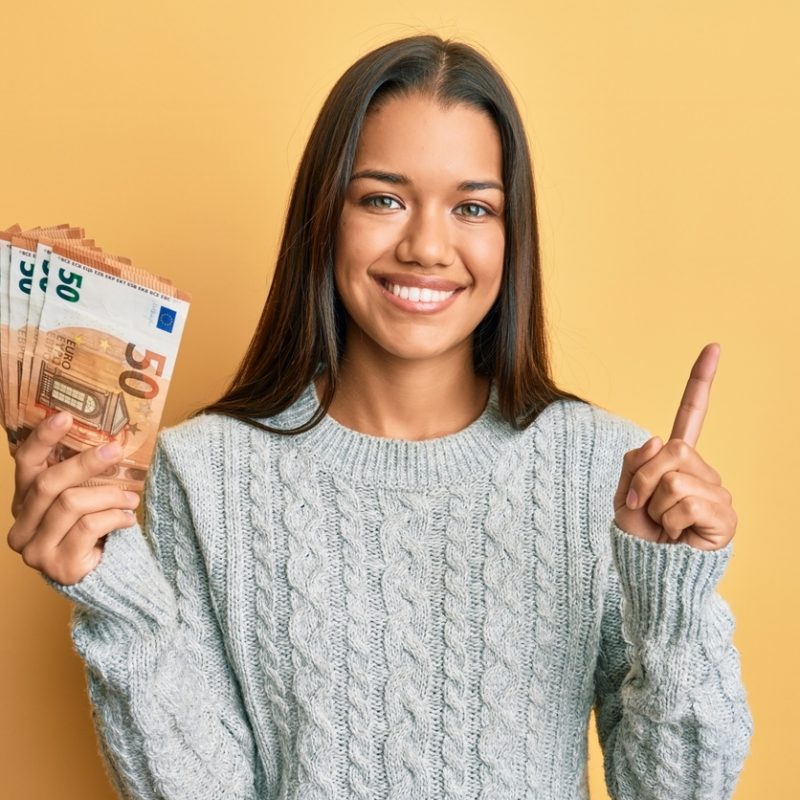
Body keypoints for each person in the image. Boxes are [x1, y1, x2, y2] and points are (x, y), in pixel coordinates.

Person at [6, 34, 752, 800]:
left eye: (472, 207)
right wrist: (116, 597)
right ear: (325, 216)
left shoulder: (604, 471)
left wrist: (674, 604)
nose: (428, 246)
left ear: (512, 233)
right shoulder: (203, 475)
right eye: (383, 198)